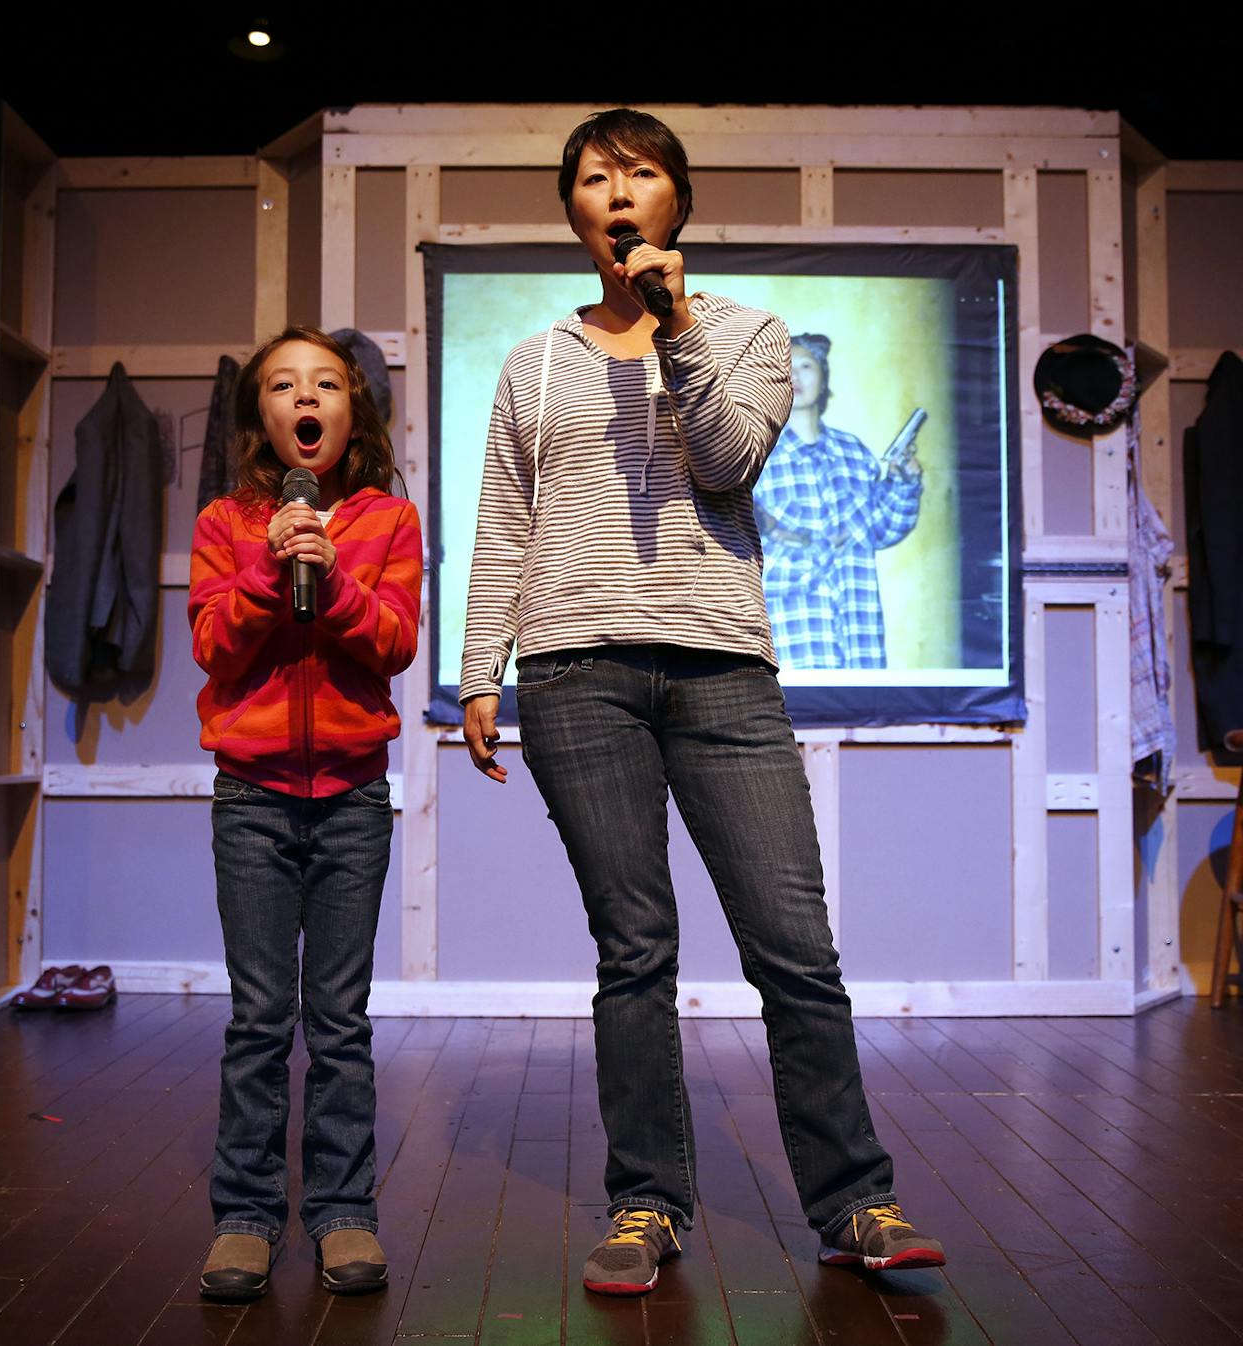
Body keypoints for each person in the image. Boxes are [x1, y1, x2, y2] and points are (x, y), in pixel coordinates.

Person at [460, 109, 945, 1295]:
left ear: (675, 199)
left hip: (723, 668)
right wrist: (482, 665)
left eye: (638, 173)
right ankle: (644, 1204)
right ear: (570, 207)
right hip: (575, 672)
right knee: (632, 951)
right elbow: (503, 521)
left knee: (794, 946)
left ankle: (854, 1201)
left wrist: (674, 325)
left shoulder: (747, 331)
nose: (616, 192)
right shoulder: (532, 362)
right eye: (593, 176)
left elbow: (726, 461)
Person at [189, 326, 421, 1300]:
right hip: (251, 800)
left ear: (351, 408)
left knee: (338, 1019)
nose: (303, 397)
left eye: (324, 382)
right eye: (281, 385)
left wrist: (329, 581)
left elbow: (396, 645)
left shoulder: (387, 521)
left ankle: (342, 1213)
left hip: (352, 800)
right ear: (263, 417)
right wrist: (264, 571)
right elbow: (213, 648)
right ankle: (243, 1216)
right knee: (257, 1017)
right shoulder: (222, 522)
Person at [752, 334, 922, 669]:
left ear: (823, 377)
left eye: (806, 366)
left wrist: (904, 480)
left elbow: (883, 528)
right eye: (788, 368)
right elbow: (747, 548)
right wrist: (818, 550)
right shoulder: (757, 453)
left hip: (860, 635)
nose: (797, 376)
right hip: (794, 633)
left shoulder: (852, 451)